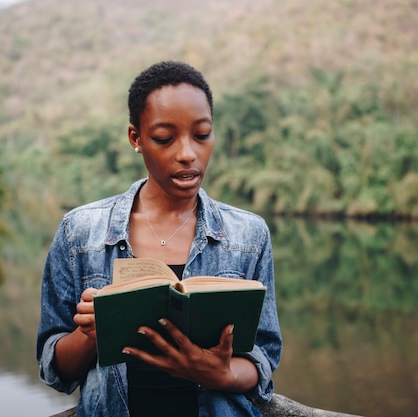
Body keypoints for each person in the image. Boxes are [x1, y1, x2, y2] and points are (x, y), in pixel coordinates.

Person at [36, 61, 282, 417]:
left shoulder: (249, 235)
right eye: (165, 138)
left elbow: (263, 357)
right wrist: (93, 333)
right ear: (136, 138)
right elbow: (55, 369)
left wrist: (222, 375)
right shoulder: (81, 232)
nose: (187, 153)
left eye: (202, 135)